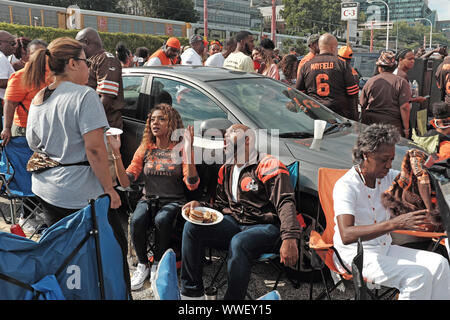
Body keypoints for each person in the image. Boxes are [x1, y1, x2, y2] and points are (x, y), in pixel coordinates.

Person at [180, 124, 301, 300]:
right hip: (235, 222)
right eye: (225, 134)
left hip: (266, 227)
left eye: (232, 133)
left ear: (247, 140)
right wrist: (200, 205)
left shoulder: (267, 164)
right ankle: (191, 294)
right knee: (192, 227)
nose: (225, 137)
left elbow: (285, 202)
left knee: (239, 242)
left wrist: (290, 237)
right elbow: (222, 206)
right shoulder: (226, 169)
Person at [333, 123, 450, 300]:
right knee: (418, 275)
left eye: (392, 159)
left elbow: (419, 179)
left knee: (440, 264)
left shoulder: (388, 177)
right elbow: (347, 234)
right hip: (355, 255)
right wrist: (395, 223)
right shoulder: (347, 185)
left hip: (384, 249)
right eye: (384, 159)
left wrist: (427, 170)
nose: (389, 165)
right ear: (366, 155)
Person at [23, 37, 121, 227]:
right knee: (108, 250)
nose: (89, 67)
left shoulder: (39, 97)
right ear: (73, 63)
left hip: (45, 188)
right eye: (87, 62)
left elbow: (33, 143)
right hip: (77, 191)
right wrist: (109, 189)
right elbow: (94, 149)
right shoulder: (85, 96)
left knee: (63, 248)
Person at [108, 103, 199, 290]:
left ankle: (157, 262)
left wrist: (189, 150)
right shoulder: (146, 147)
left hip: (174, 201)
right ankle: (142, 265)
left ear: (172, 124)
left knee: (162, 219)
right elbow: (126, 182)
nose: (155, 123)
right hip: (148, 198)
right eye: (152, 119)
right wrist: (116, 152)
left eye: (161, 119)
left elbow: (192, 183)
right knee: (137, 220)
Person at [75, 27, 125, 185]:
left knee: (106, 177)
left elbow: (107, 98)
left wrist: (89, 124)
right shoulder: (92, 60)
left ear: (86, 42)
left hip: (105, 126)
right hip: (94, 128)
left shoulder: (106, 59)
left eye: (78, 44)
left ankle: (110, 206)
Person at [296, 33, 359, 120]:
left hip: (314, 115)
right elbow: (352, 95)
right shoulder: (341, 64)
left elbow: (298, 93)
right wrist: (354, 118)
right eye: (336, 47)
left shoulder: (306, 65)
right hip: (338, 116)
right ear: (332, 47)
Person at [1, 39, 50, 145]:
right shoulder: (19, 76)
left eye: (42, 53)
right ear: (28, 56)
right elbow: (10, 103)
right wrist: (6, 128)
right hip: (24, 131)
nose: (38, 56)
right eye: (34, 53)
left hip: (49, 130)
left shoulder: (55, 74)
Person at [360, 51, 412, 138]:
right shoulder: (401, 82)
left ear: (379, 68)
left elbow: (362, 105)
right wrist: (406, 129)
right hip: (392, 126)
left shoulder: (370, 81)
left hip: (371, 125)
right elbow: (404, 107)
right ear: (394, 68)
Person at [0, 31, 16, 105]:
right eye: (12, 43)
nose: (14, 46)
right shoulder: (1, 57)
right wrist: (20, 80)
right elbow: (1, 81)